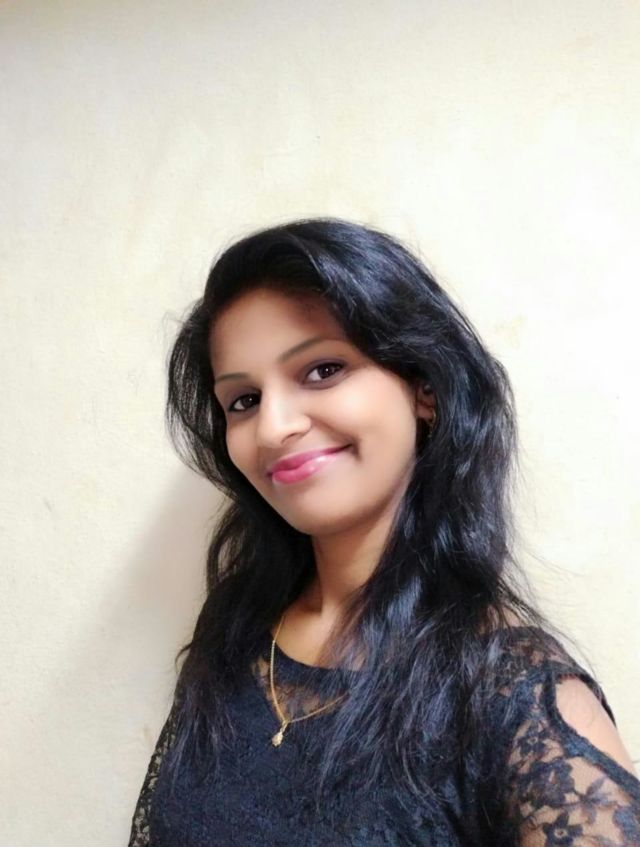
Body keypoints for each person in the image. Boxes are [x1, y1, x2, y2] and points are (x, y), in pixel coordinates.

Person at [128, 218, 640, 846]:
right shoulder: (237, 627)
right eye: (243, 401)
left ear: (424, 388)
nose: (273, 427)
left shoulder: (512, 693)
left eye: (322, 370)